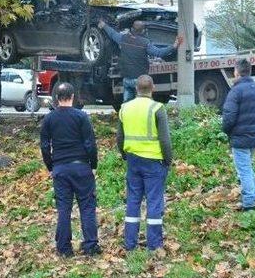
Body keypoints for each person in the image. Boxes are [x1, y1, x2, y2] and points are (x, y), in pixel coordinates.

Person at [40, 82, 101, 257]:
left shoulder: (49, 119)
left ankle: (64, 248)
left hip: (60, 168)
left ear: (57, 98)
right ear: (73, 97)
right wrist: (93, 165)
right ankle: (90, 245)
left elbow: (45, 146)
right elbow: (90, 143)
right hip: (81, 166)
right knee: (87, 207)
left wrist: (50, 166)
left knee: (64, 209)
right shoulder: (81, 117)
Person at [117, 75, 173, 251]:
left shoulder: (124, 108)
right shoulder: (157, 108)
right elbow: (165, 140)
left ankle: (130, 243)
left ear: (136, 89)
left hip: (133, 160)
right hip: (154, 161)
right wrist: (168, 160)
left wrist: (124, 154)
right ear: (153, 88)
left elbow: (120, 137)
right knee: (154, 202)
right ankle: (154, 245)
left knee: (133, 201)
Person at [222, 59, 255, 211]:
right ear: (249, 71)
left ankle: (249, 202)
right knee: (247, 167)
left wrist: (227, 132)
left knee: (243, 170)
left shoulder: (235, 91)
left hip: (239, 138)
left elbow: (229, 118)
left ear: (236, 72)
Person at [98, 19, 183, 102]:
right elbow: (159, 52)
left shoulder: (123, 39)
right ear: (143, 31)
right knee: (141, 103)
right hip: (139, 80)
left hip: (126, 79)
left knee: (127, 104)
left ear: (131, 29)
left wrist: (104, 25)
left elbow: (112, 34)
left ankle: (127, 115)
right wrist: (174, 46)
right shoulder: (145, 43)